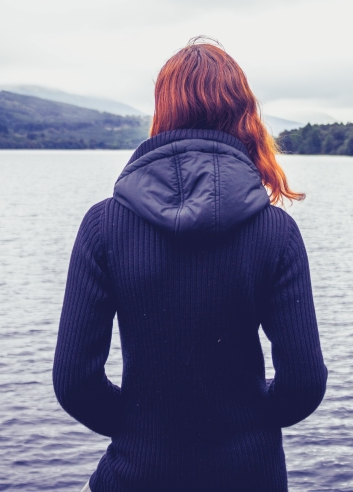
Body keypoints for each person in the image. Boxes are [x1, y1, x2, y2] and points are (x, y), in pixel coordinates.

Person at [52, 38, 328, 492]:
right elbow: (303, 383)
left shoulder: (103, 226)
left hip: (138, 474)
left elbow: (74, 382)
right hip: (251, 476)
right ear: (243, 115)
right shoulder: (276, 232)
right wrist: (248, 426)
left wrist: (141, 430)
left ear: (162, 112)